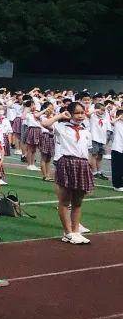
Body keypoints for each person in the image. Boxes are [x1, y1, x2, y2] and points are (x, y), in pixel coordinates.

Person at [41, 102, 95, 244]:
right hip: (67, 163)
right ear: (70, 114)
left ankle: (76, 231)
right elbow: (45, 124)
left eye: (82, 113)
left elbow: (87, 151)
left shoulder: (85, 131)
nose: (80, 116)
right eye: (77, 113)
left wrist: (90, 166)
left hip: (82, 165)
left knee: (78, 202)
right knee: (65, 201)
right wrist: (60, 115)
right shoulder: (61, 127)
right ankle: (67, 232)